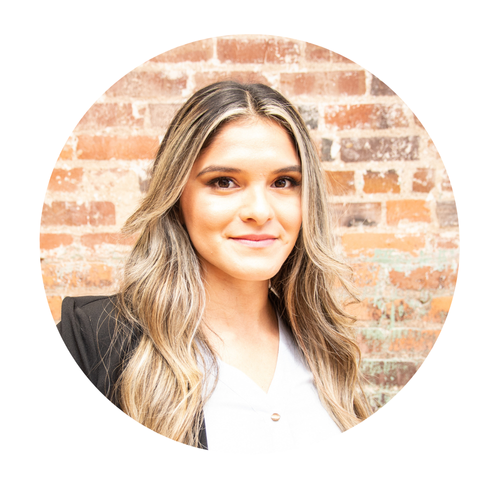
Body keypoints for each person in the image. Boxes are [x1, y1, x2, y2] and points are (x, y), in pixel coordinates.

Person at [58, 81, 372, 451]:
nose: (260, 211)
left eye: (283, 182)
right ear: (177, 194)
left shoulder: (327, 345)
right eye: (224, 182)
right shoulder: (92, 343)